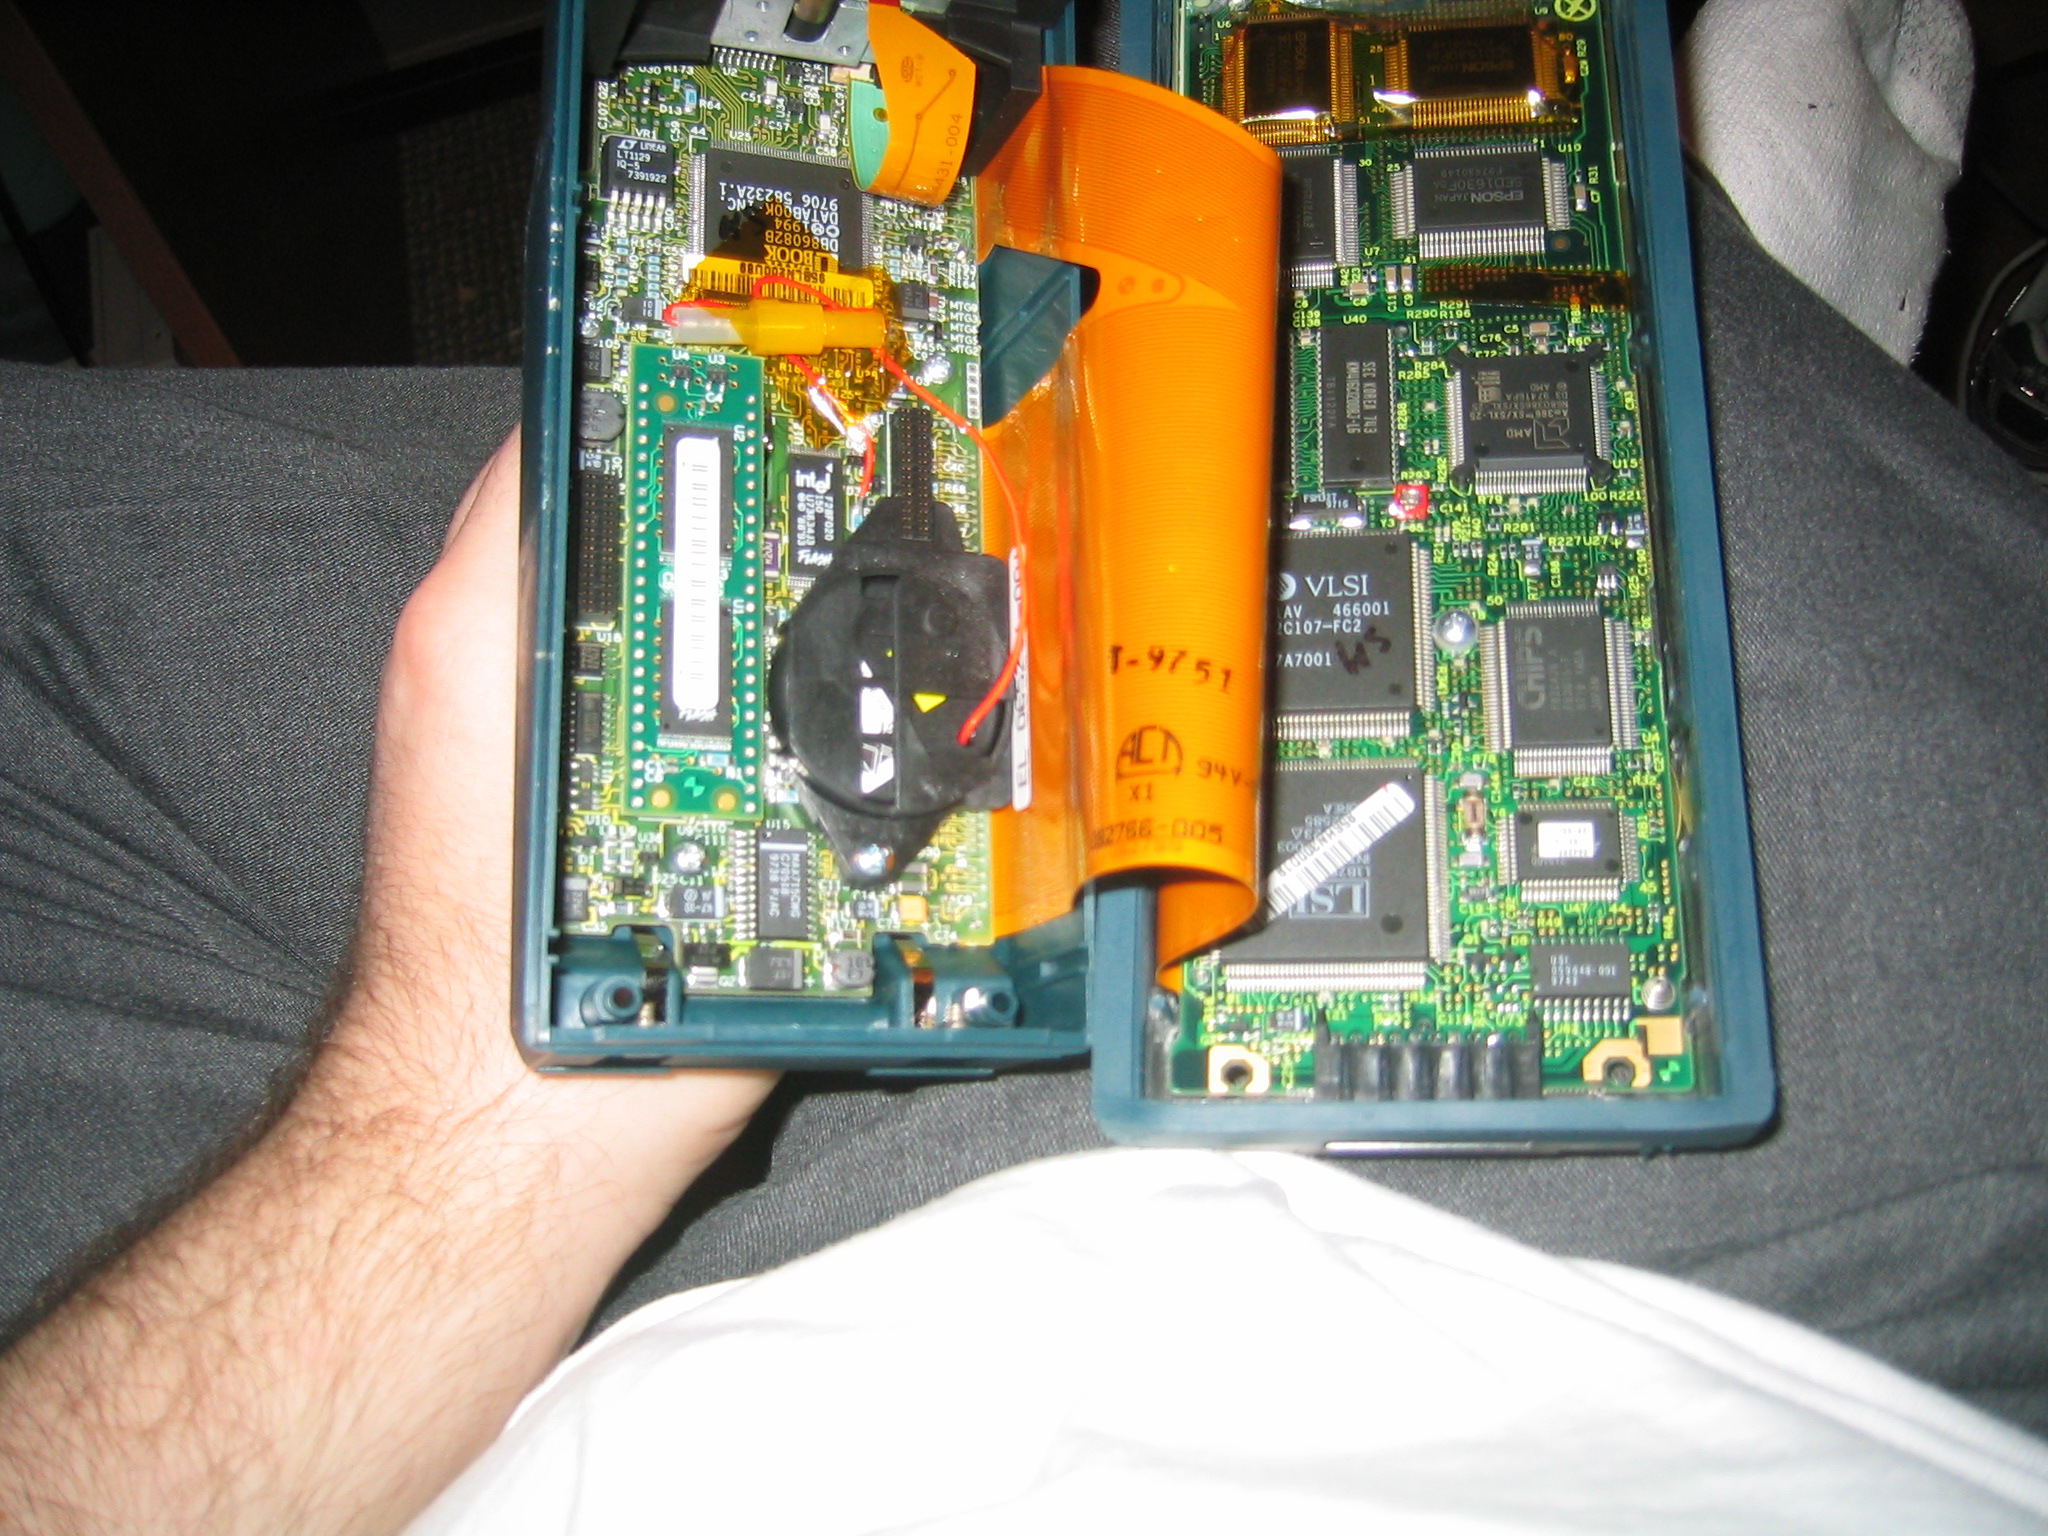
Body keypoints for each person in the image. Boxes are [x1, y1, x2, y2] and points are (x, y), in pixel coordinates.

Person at [3, 169, 2048, 1531]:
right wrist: (483, 1131)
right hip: (1702, 1305)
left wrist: (460, 1136)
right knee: (1531, 331)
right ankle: (1727, 301)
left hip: (586, 1341)